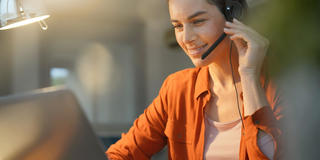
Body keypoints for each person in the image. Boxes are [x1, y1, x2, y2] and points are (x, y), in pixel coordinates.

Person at [106, 0, 283, 159]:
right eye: (178, 26)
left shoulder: (284, 86)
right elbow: (122, 154)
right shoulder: (177, 89)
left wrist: (249, 74)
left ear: (234, 15)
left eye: (198, 22)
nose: (186, 38)